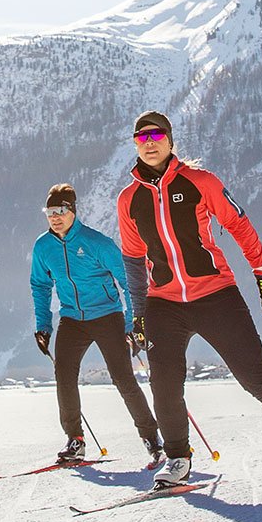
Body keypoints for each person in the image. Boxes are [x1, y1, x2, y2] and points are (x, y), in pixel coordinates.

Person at [116, 110, 262, 490]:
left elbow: (239, 224)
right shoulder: (128, 200)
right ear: (135, 145)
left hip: (215, 295)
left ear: (171, 140)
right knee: (164, 383)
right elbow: (132, 259)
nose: (150, 142)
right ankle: (178, 459)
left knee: (257, 378)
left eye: (156, 135)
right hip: (164, 302)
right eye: (141, 138)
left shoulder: (200, 182)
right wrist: (139, 314)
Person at [29, 183, 162, 466]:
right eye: (50, 212)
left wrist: (132, 322)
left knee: (123, 379)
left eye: (61, 211)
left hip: (107, 317)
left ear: (73, 211)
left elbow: (128, 281)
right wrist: (43, 326)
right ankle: (75, 440)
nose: (55, 217)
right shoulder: (43, 247)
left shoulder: (96, 243)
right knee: (64, 375)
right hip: (72, 319)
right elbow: (40, 286)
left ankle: (152, 438)